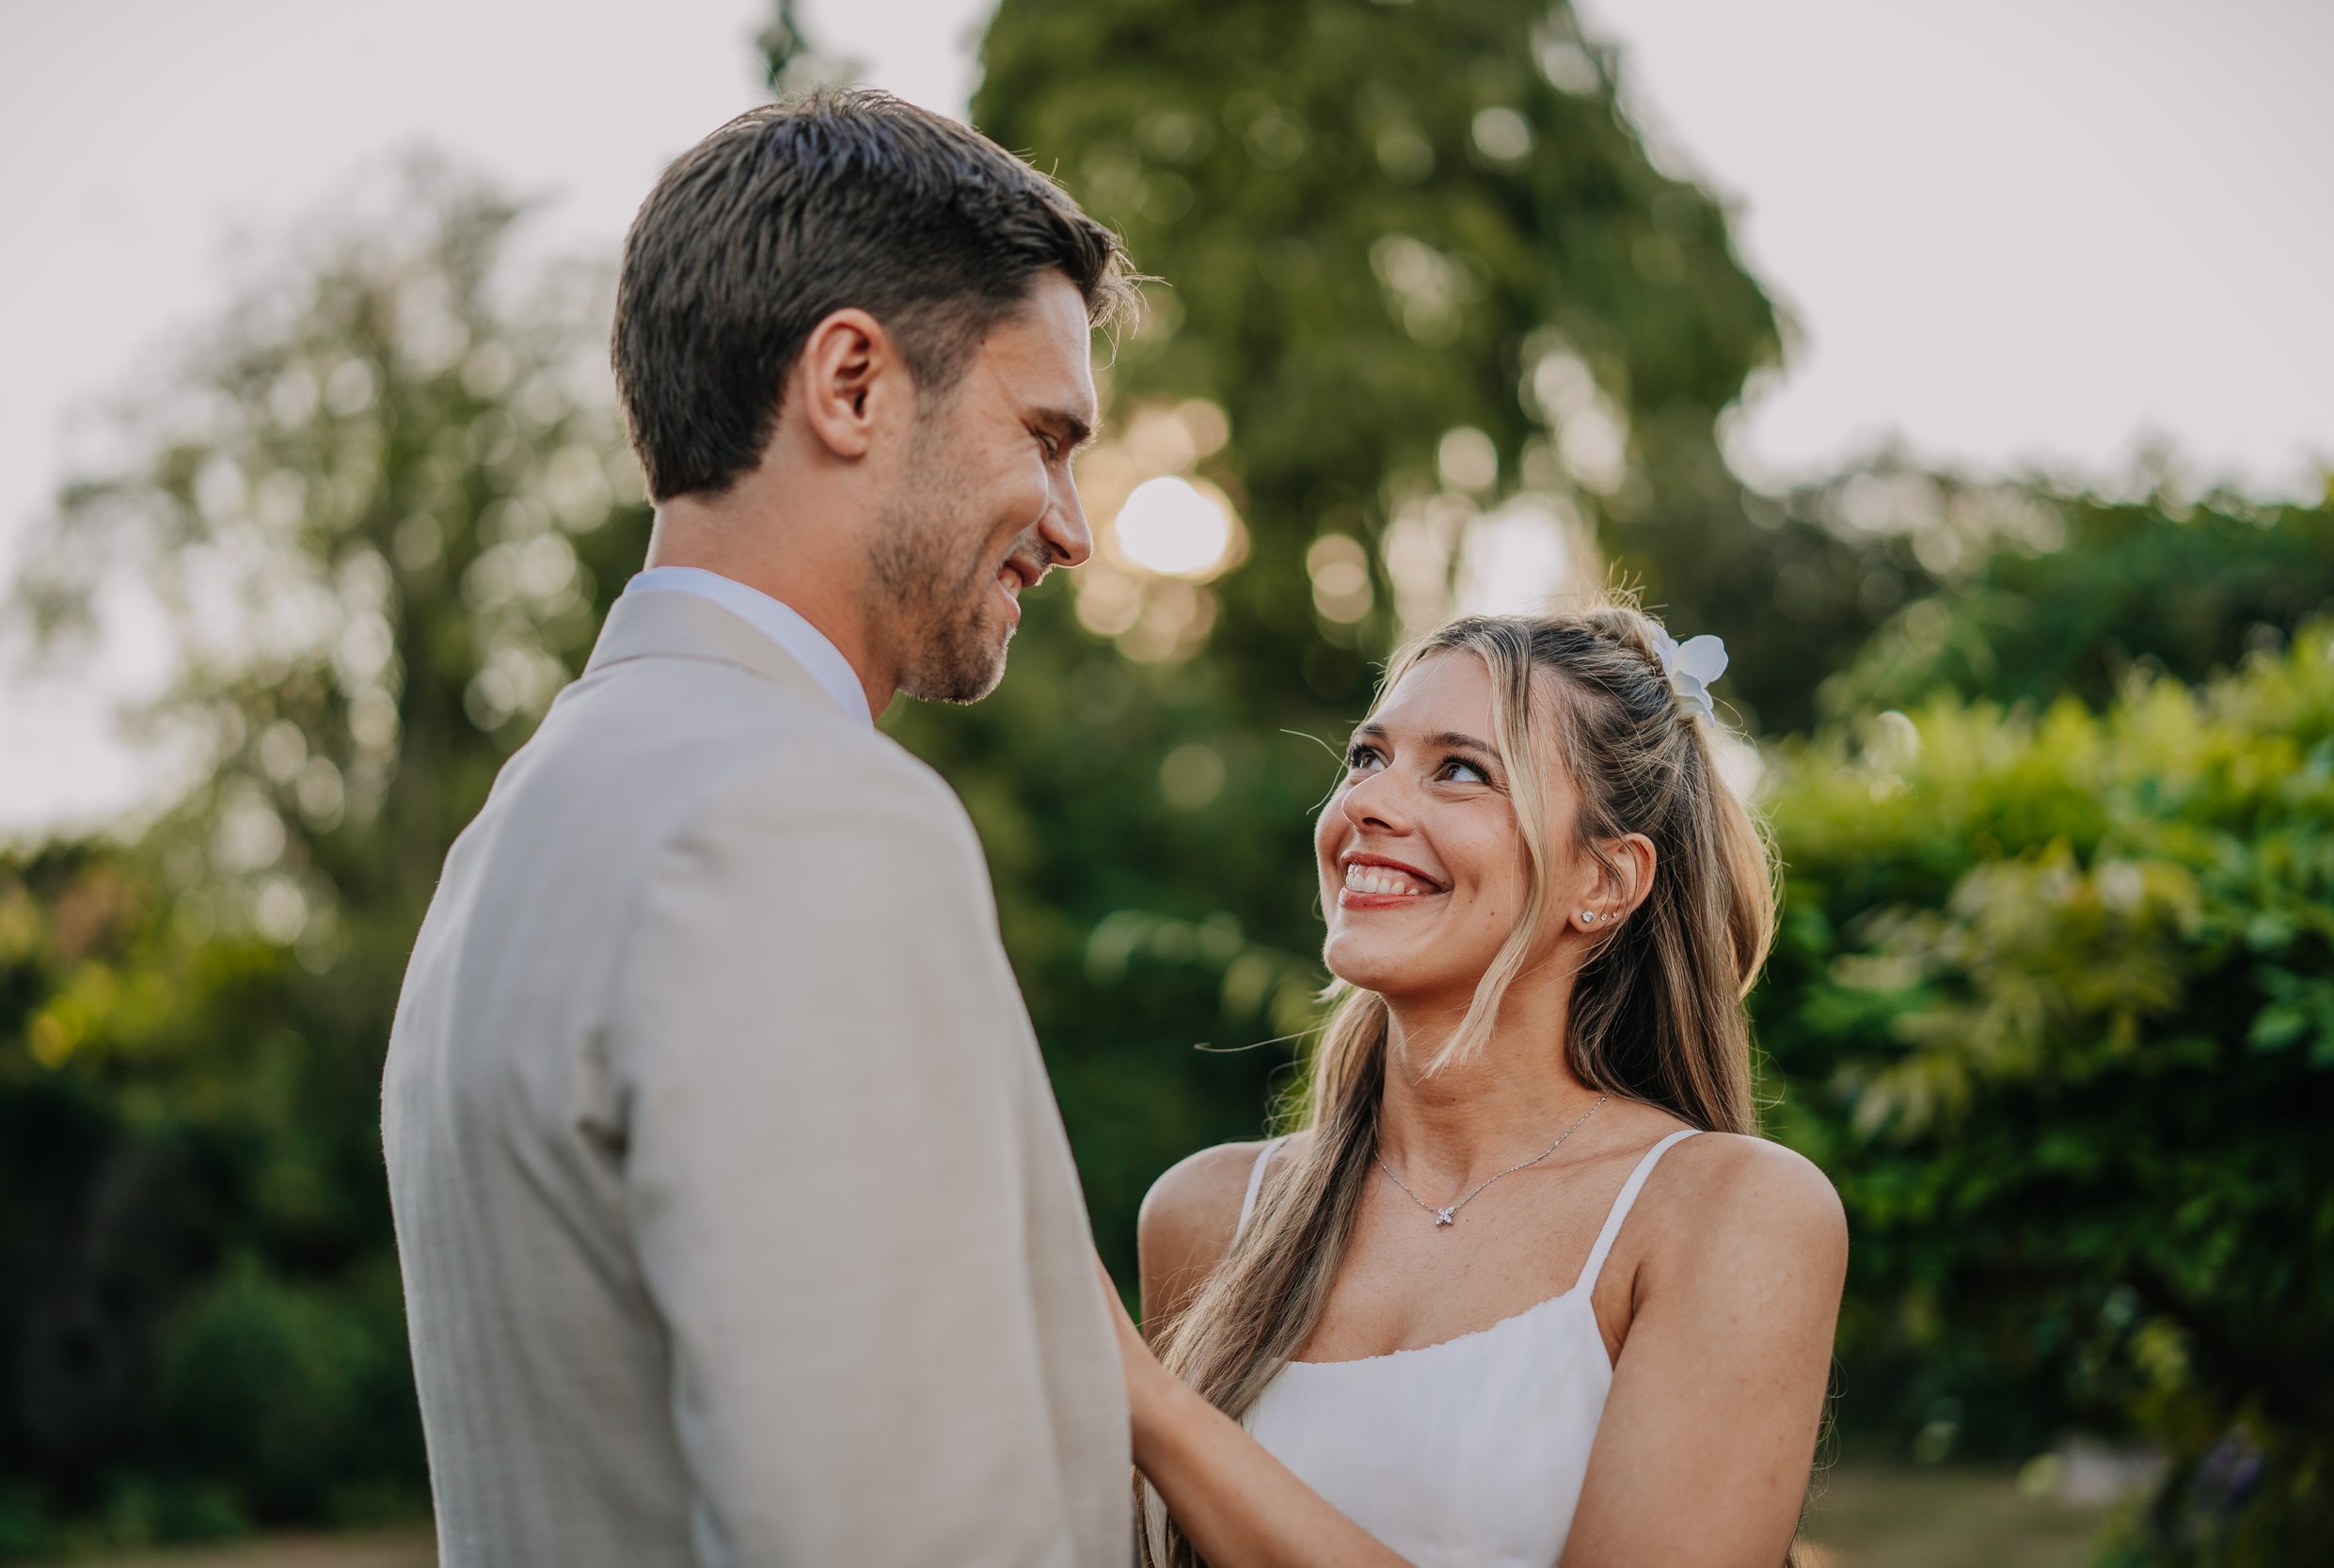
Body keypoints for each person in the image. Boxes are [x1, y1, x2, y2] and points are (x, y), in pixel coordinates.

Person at [381, 89, 1139, 1566]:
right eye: (1045, 435)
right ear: (850, 381)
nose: (1072, 522)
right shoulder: (804, 818)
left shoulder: (518, 829)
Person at [1110, 607, 1849, 1567]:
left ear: (1605, 878)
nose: (1366, 802)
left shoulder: (1725, 1212)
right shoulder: (1207, 1214)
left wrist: (1154, 1410)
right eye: (1366, 756)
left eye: (1460, 769)